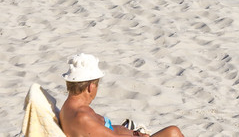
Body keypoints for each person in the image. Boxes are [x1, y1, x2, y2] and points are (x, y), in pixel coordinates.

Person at [58, 53, 186, 137]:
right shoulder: (82, 118)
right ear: (91, 87)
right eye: (97, 85)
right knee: (173, 132)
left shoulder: (71, 107)